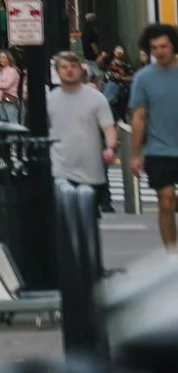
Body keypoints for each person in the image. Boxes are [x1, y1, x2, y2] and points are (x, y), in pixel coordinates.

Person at [48, 51, 115, 236]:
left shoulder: (96, 98)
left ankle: (91, 260)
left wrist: (110, 147)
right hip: (61, 166)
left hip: (90, 169)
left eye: (73, 67)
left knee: (88, 222)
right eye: (64, 67)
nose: (69, 71)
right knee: (64, 221)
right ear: (57, 71)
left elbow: (108, 127)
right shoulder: (50, 100)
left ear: (80, 69)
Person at [127, 22, 178, 253]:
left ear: (173, 46)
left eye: (164, 46)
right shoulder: (143, 78)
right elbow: (139, 117)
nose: (159, 51)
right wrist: (135, 154)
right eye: (154, 47)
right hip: (159, 149)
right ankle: (172, 255)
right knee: (166, 200)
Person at [0, 50, 24, 124]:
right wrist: (0, 84)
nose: (1, 59)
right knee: (4, 124)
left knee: (13, 124)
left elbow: (7, 85)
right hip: (0, 100)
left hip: (9, 100)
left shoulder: (13, 71)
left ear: (8, 58)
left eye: (4, 57)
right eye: (0, 57)